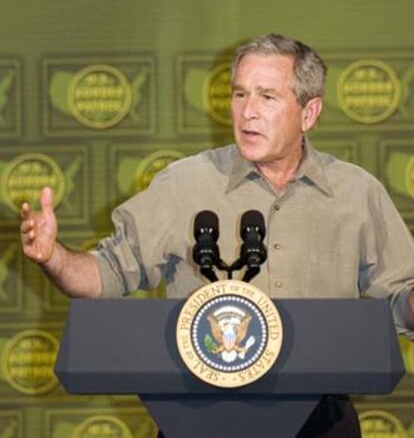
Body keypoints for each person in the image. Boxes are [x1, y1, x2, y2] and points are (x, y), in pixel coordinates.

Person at [20, 33, 414, 438]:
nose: (247, 113)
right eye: (240, 94)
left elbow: (403, 297)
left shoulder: (356, 192)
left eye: (267, 97)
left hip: (319, 420)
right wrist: (54, 257)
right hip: (195, 415)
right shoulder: (185, 183)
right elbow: (105, 275)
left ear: (309, 112)